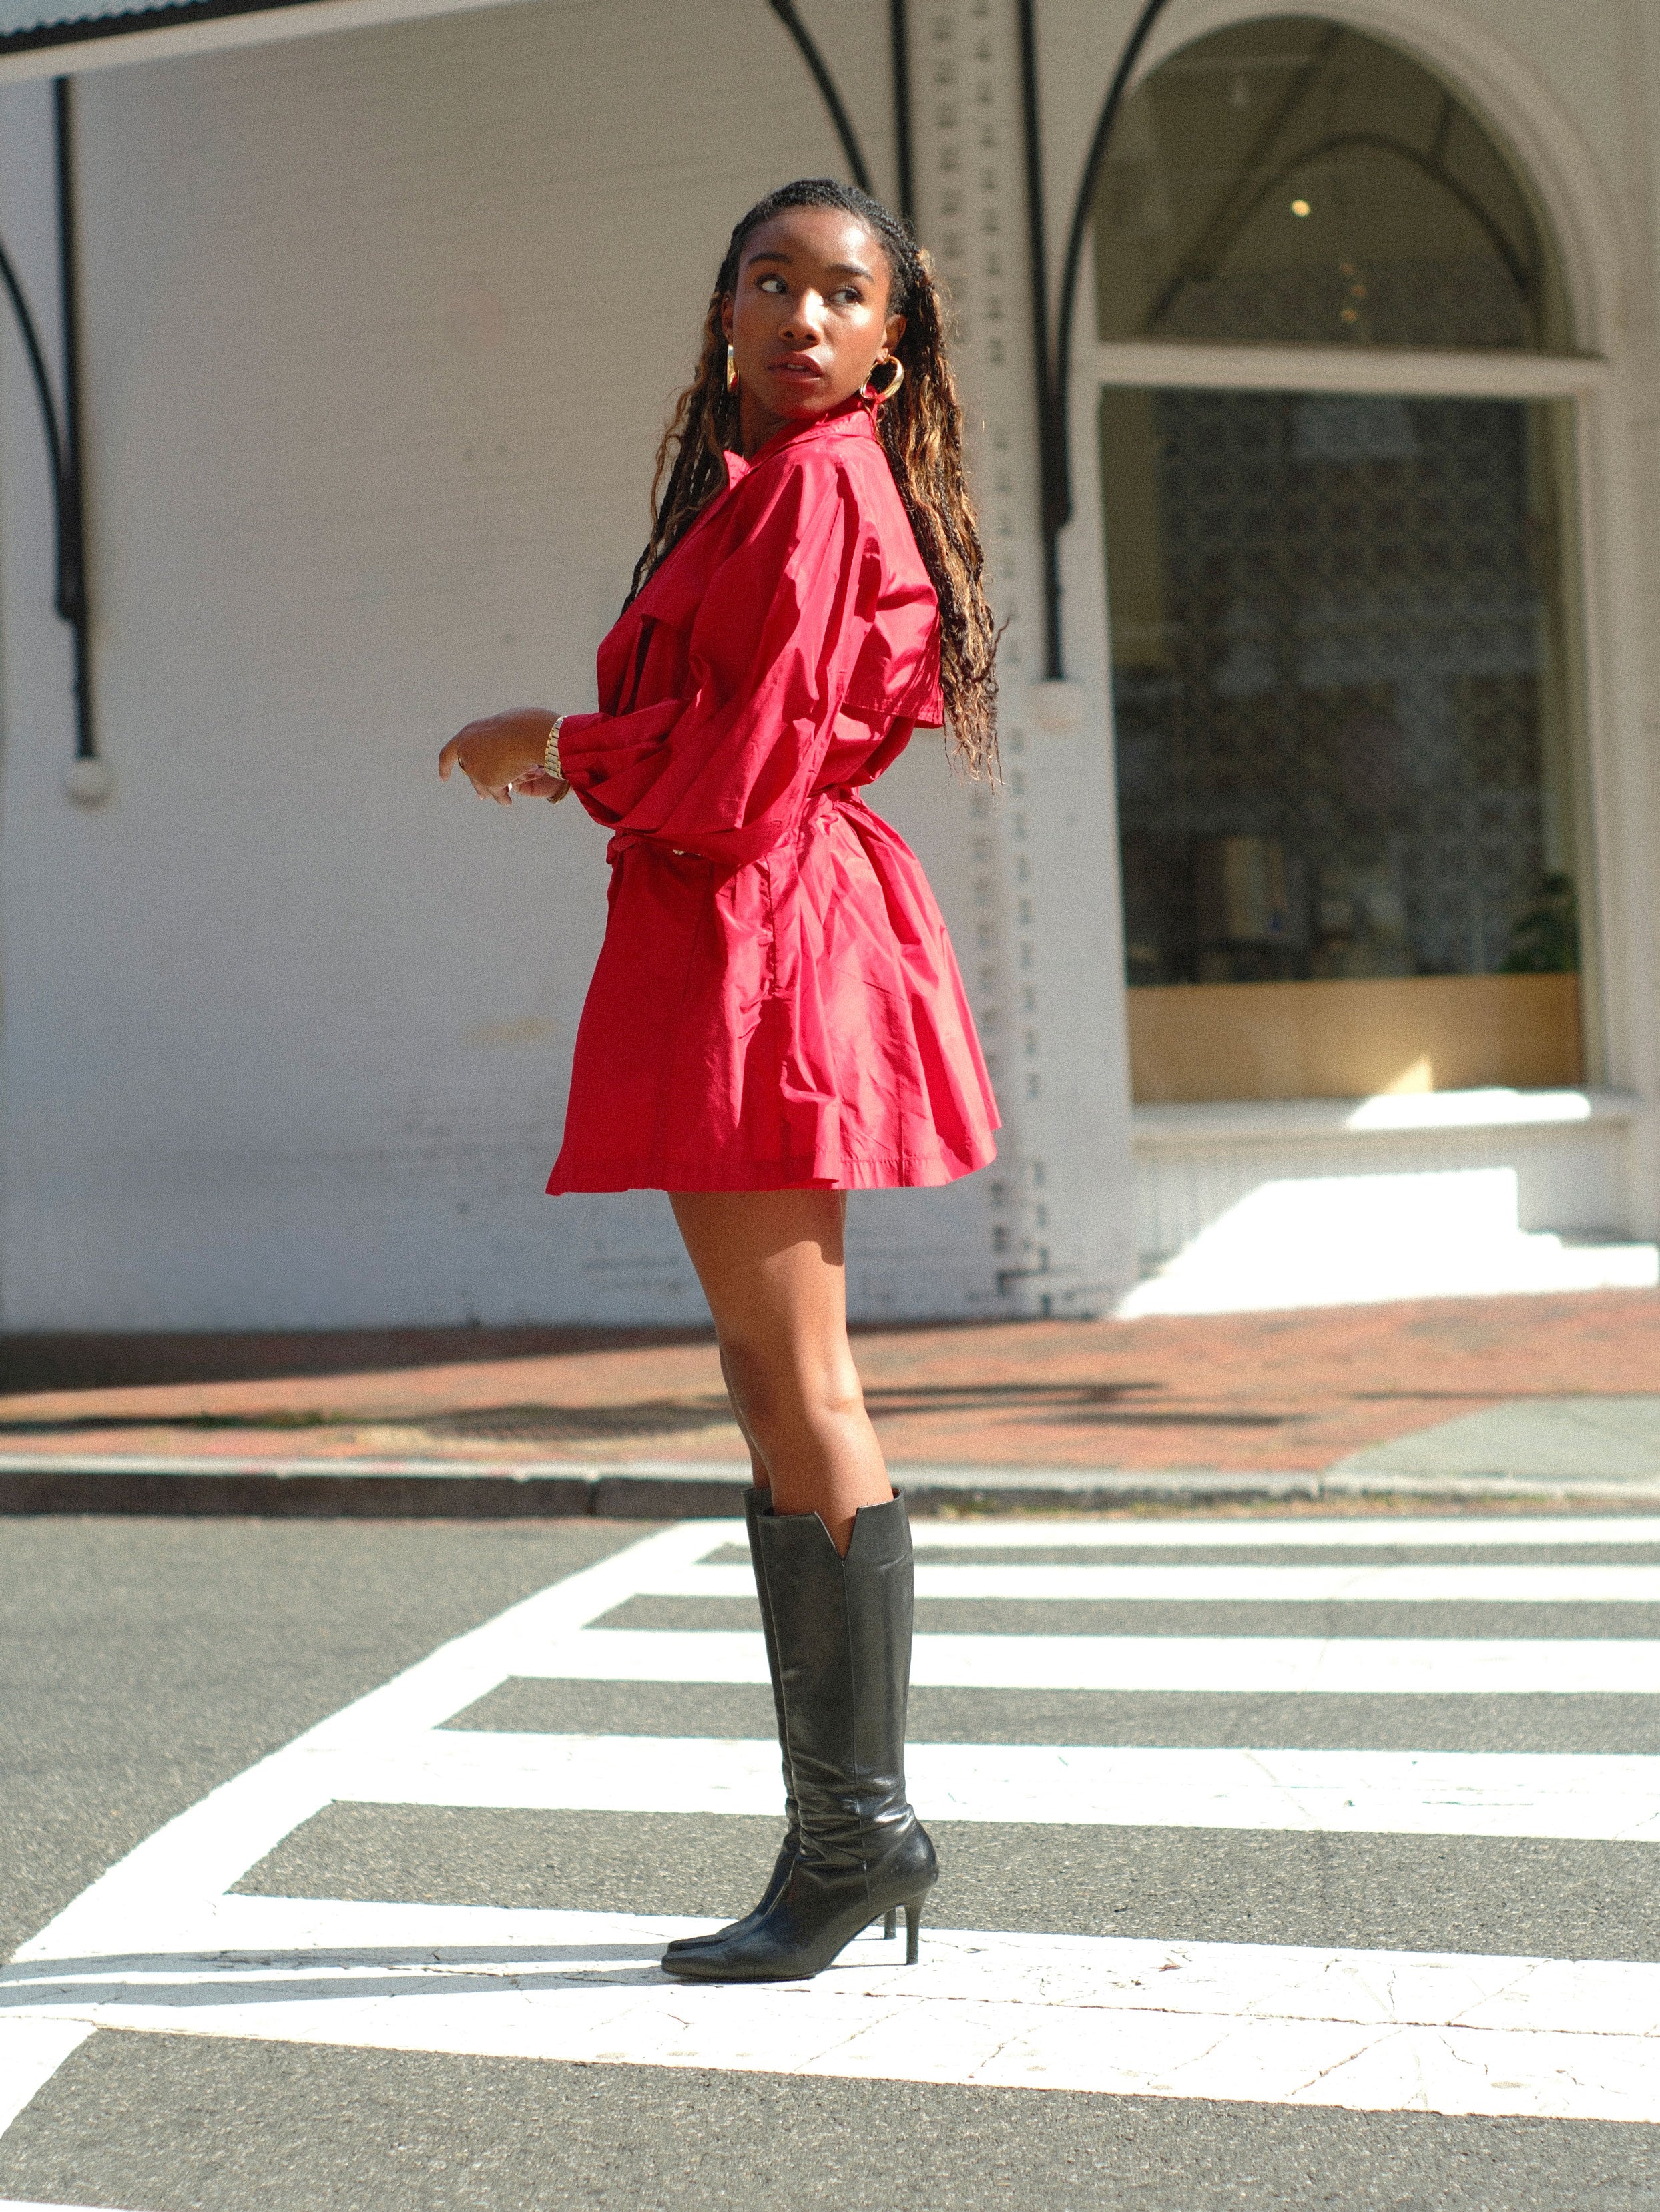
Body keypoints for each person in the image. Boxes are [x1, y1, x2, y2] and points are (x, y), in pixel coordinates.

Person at [439, 177, 1000, 1982]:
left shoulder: (823, 489)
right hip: (740, 925)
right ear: (726, 314)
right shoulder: (764, 488)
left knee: (793, 1373)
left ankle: (857, 1828)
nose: (803, 318)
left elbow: (744, 765)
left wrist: (557, 743)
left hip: (760, 928)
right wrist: (594, 754)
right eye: (772, 283)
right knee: (777, 1375)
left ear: (887, 346)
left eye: (844, 296)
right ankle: (847, 1824)